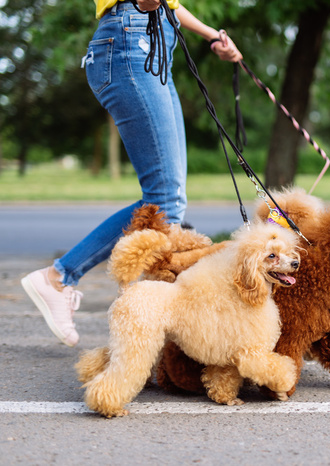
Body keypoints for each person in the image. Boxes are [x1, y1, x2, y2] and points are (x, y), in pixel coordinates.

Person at [20, 0, 243, 347]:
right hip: (130, 41)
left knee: (171, 203)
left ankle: (163, 323)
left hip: (152, 44)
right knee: (163, 199)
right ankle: (59, 277)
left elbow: (172, 4)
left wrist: (214, 35)